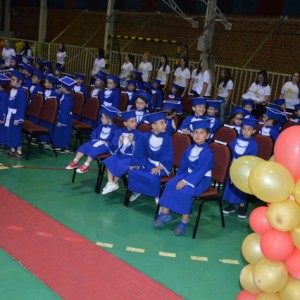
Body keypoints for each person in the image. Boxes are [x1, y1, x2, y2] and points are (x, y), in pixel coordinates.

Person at [153, 119, 213, 235]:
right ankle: (165, 214)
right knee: (170, 185)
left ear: (208, 135)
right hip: (187, 175)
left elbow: (201, 171)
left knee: (185, 191)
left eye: (201, 132)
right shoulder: (189, 149)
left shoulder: (208, 153)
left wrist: (185, 181)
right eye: (195, 132)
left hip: (201, 179)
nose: (198, 135)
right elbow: (183, 167)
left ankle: (184, 221)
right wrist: (178, 179)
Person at [127, 111, 173, 203]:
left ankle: (157, 195)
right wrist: (137, 163)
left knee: (153, 176)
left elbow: (168, 155)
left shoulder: (167, 138)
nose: (165, 125)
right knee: (133, 171)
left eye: (165, 122)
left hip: (162, 166)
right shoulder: (145, 136)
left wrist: (159, 167)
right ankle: (138, 190)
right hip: (148, 162)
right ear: (154, 126)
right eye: (162, 123)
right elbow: (139, 151)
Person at [65, 106, 119, 173]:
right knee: (86, 146)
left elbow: (115, 141)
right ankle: (75, 161)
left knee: (94, 150)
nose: (101, 119)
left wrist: (107, 143)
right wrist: (94, 139)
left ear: (108, 119)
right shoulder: (101, 126)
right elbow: (94, 132)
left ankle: (86, 165)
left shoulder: (115, 129)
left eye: (102, 118)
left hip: (106, 146)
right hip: (97, 142)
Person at [223, 118, 258, 218]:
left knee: (241, 188)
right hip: (233, 166)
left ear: (253, 131)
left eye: (249, 129)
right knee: (231, 185)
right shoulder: (236, 140)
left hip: (244, 169)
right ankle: (231, 204)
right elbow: (229, 151)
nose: (246, 131)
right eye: (244, 128)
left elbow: (252, 158)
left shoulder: (253, 144)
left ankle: (242, 206)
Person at [102, 110, 142, 194]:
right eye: (132, 121)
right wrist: (120, 141)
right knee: (110, 160)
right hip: (120, 154)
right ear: (125, 123)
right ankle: (110, 183)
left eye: (135, 121)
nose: (135, 123)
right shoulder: (119, 132)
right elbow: (113, 144)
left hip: (131, 157)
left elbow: (141, 149)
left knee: (121, 163)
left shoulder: (139, 134)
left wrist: (133, 142)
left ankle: (115, 182)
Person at [3, 71, 27, 158]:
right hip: (10, 114)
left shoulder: (21, 93)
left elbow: (21, 107)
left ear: (19, 81)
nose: (11, 81)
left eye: (13, 80)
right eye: (11, 80)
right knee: (10, 132)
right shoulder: (12, 90)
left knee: (16, 133)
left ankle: (19, 151)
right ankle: (12, 149)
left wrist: (18, 119)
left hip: (16, 116)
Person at [51, 76, 76, 153]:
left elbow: (64, 111)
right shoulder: (64, 95)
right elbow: (57, 95)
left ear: (65, 88)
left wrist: (61, 121)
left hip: (65, 118)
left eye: (62, 86)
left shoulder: (67, 99)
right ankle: (58, 145)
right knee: (59, 131)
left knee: (64, 132)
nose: (60, 87)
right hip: (61, 115)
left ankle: (64, 147)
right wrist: (59, 91)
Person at [0, 74, 10, 148]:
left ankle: (2, 142)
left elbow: (3, 108)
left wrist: (1, 118)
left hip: (2, 116)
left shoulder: (4, 95)